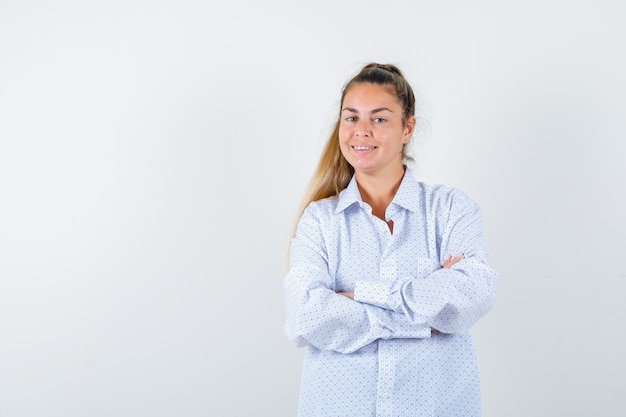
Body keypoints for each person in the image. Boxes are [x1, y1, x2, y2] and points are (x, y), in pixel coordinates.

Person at [284, 63, 499, 417]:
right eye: (351, 118)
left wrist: (360, 297)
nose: (361, 131)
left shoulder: (450, 210)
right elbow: (307, 317)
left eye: (379, 119)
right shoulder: (319, 221)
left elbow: (472, 294)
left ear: (407, 127)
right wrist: (422, 314)